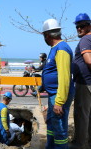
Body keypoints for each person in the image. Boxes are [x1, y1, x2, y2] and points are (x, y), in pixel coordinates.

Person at [41, 19, 74, 149]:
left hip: (58, 95)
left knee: (59, 129)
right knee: (52, 125)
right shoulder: (55, 48)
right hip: (53, 94)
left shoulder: (62, 49)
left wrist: (59, 101)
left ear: (47, 35)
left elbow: (64, 77)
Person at [69, 13, 91, 149]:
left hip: (84, 83)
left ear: (89, 25)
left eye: (82, 26)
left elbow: (88, 60)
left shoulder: (85, 40)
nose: (79, 29)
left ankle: (79, 144)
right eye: (77, 26)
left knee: (81, 114)